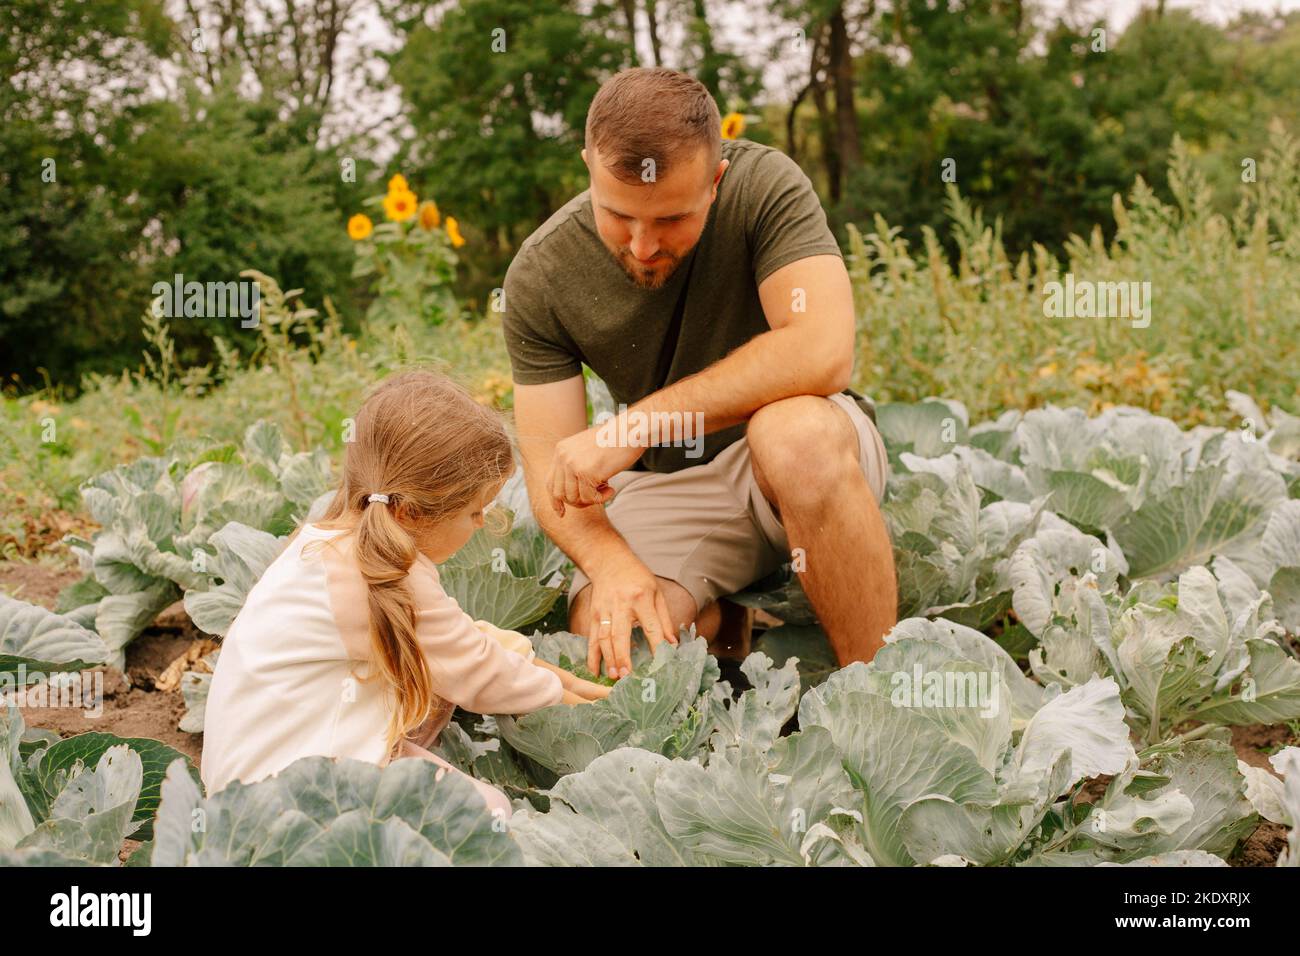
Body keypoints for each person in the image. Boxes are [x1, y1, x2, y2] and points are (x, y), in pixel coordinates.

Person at [502, 67, 896, 681]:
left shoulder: (765, 184)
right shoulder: (540, 275)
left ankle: (878, 696)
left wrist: (638, 425)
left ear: (716, 179)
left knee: (793, 437)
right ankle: (727, 622)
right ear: (588, 165)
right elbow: (553, 474)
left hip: (808, 454)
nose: (641, 246)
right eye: (619, 216)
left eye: (670, 221)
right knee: (618, 644)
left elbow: (823, 350)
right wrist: (613, 566)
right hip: (678, 489)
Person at [201, 369, 608, 815]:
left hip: (262, 766)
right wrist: (569, 703)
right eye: (475, 512)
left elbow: (457, 639)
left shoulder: (331, 543)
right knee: (486, 815)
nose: (480, 525)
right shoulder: (388, 576)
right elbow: (476, 670)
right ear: (414, 511)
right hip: (286, 792)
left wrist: (549, 671)